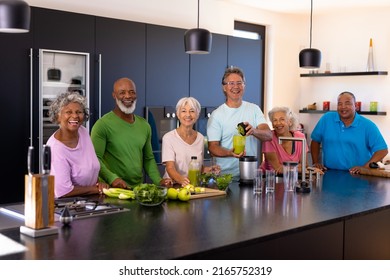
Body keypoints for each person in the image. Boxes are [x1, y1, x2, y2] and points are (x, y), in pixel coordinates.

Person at [91, 77, 171, 188]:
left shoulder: (144, 125)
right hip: (112, 190)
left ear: (136, 95)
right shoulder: (102, 125)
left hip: (138, 190)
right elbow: (94, 159)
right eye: (122, 92)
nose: (128, 96)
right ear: (114, 95)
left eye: (131, 92)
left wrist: (159, 180)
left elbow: (148, 159)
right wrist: (112, 178)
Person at [207, 66, 272, 178]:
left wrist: (254, 131)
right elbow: (212, 148)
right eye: (231, 83)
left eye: (239, 83)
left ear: (244, 86)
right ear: (224, 87)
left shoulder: (254, 109)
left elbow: (269, 135)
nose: (236, 87)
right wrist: (229, 153)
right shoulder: (217, 115)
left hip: (249, 174)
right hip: (224, 177)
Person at [47, 92, 109, 198]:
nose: (75, 116)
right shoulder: (56, 149)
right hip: (66, 208)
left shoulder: (83, 132)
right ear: (58, 117)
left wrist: (99, 184)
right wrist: (96, 189)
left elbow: (90, 169)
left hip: (90, 201)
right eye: (68, 112)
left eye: (79, 112)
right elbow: (63, 191)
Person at [311, 91, 388, 174]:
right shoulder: (326, 119)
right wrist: (316, 162)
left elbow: (382, 150)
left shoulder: (368, 125)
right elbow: (315, 140)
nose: (343, 107)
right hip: (330, 174)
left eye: (347, 103)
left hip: (358, 176)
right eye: (339, 104)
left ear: (355, 106)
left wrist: (365, 167)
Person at [162, 97, 220, 186]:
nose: (188, 115)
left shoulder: (200, 138)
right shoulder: (169, 137)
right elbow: (170, 168)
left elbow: (197, 167)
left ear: (197, 115)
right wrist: (181, 180)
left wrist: (208, 170)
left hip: (193, 185)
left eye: (192, 111)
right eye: (184, 111)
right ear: (178, 114)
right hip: (174, 186)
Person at [260, 107, 309, 175]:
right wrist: (298, 168)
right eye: (275, 120)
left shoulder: (300, 137)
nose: (278, 123)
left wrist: (286, 169)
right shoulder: (269, 138)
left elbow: (304, 166)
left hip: (292, 179)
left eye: (282, 119)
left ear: (290, 122)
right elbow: (278, 169)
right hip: (269, 180)